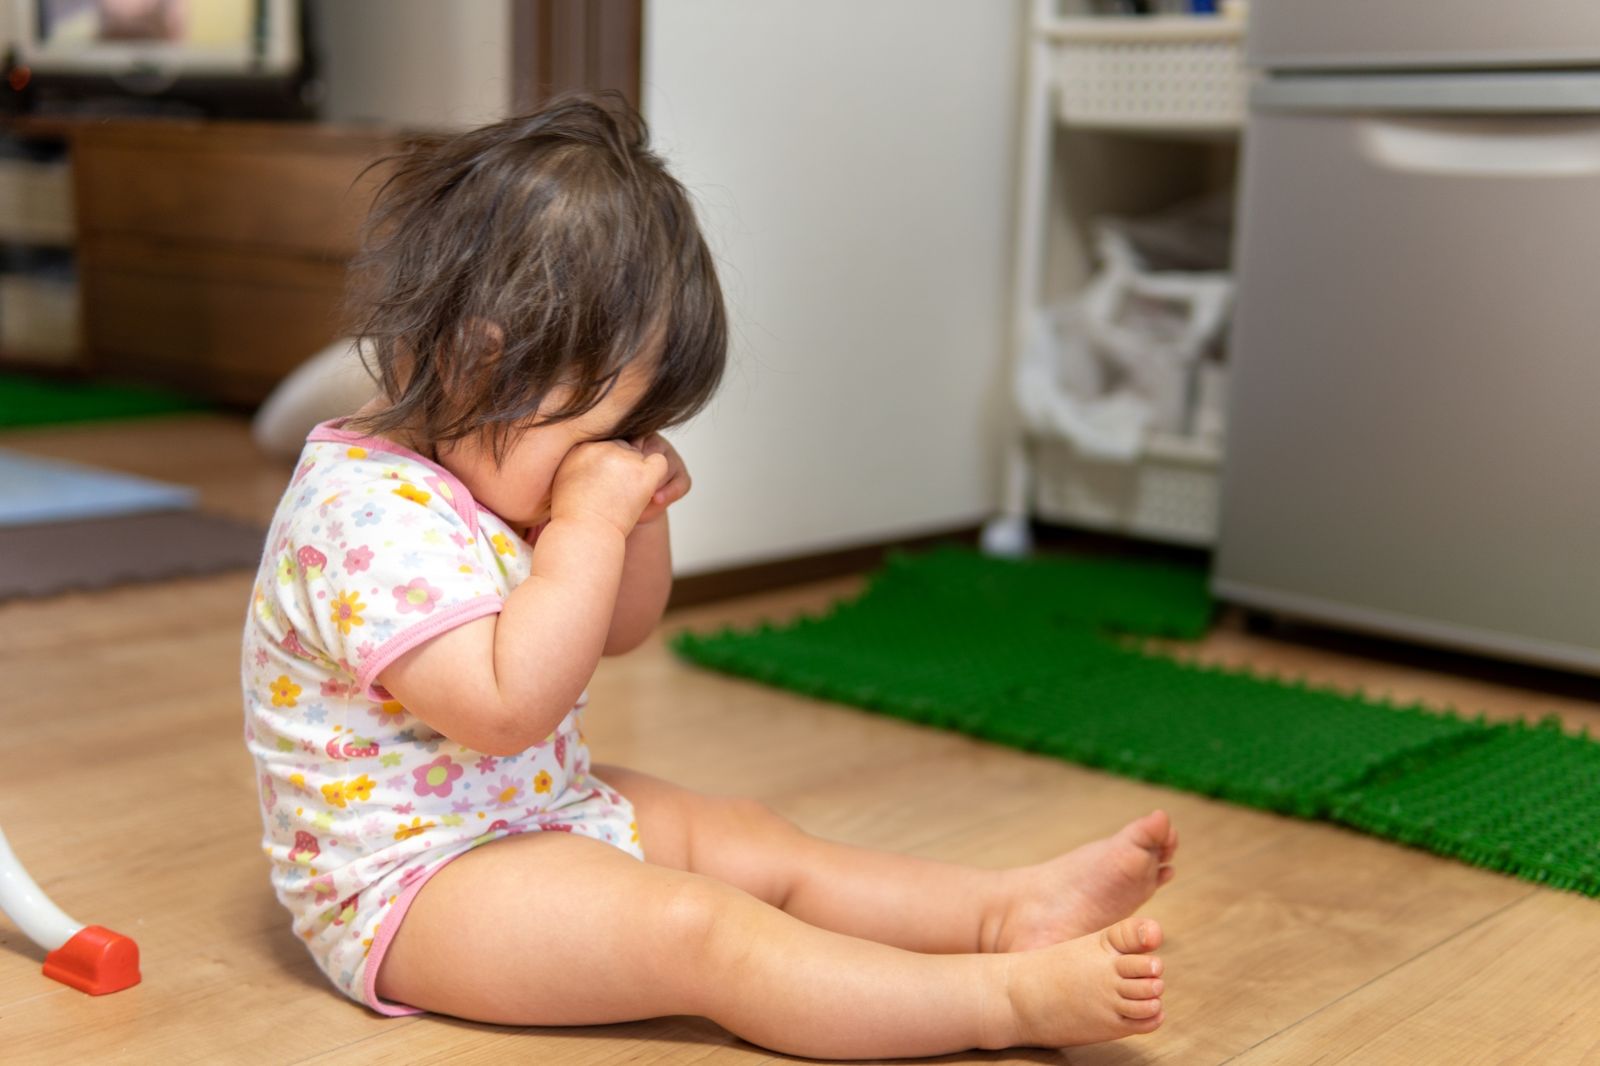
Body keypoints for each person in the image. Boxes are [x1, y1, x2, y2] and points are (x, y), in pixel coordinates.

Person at [240, 93, 1177, 1059]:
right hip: (412, 889)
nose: (612, 458)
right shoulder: (363, 517)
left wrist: (637, 521)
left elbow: (620, 628)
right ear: (479, 364)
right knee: (703, 932)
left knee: (752, 839)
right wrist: (588, 522)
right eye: (606, 432)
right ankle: (1004, 1002)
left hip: (531, 812)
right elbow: (506, 708)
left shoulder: (492, 456)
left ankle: (1003, 913)